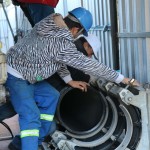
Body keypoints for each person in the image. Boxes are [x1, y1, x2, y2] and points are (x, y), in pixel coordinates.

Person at [6, 7, 139, 150]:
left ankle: (32, 142)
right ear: (76, 29)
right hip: (17, 77)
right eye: (81, 33)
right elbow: (89, 65)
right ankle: (30, 145)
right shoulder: (62, 43)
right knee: (30, 118)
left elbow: (56, 60)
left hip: (27, 74)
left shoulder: (51, 22)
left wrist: (69, 81)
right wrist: (123, 79)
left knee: (51, 95)